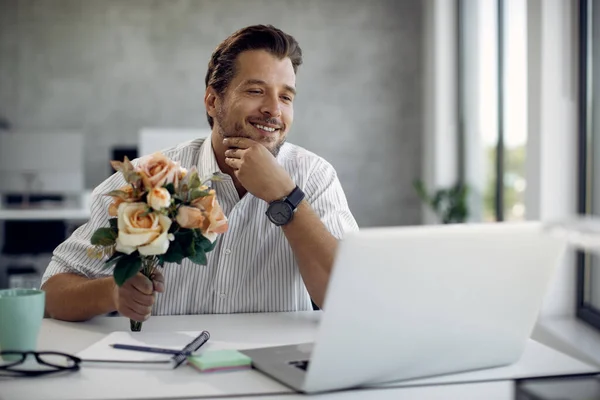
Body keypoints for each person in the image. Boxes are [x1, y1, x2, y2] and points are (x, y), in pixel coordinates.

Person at [41, 24, 358, 322]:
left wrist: (286, 198)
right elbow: (51, 293)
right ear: (212, 100)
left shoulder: (316, 178)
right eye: (256, 91)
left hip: (272, 372)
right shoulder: (147, 177)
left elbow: (350, 297)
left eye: (286, 97)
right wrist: (110, 292)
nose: (274, 110)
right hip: (165, 372)